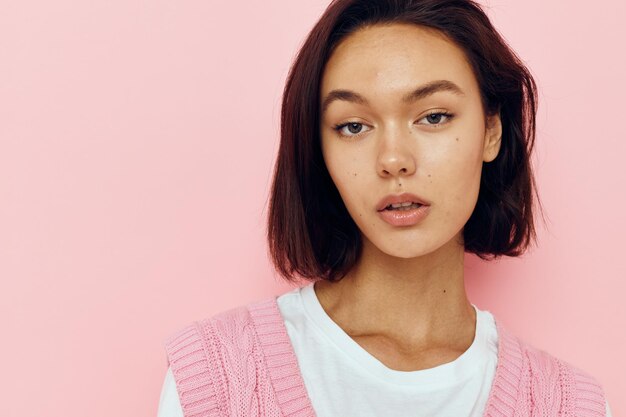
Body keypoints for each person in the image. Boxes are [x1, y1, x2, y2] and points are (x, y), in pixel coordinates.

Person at [157, 0, 612, 416]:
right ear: (320, 149)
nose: (393, 159)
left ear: (491, 130)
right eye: (353, 126)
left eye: (433, 117)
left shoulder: (569, 404)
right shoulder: (217, 378)